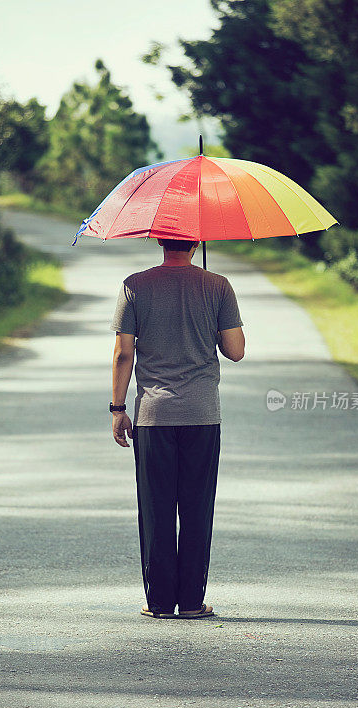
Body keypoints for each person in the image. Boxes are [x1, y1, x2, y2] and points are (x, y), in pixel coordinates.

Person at [110, 238, 245, 619]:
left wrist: (118, 409)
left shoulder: (134, 285)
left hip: (153, 416)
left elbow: (123, 352)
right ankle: (190, 602)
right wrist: (212, 326)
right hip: (202, 414)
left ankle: (158, 603)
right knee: (197, 508)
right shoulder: (217, 286)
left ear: (158, 239)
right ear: (197, 241)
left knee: (156, 508)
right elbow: (235, 350)